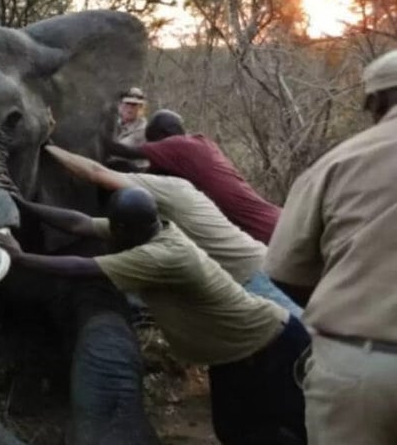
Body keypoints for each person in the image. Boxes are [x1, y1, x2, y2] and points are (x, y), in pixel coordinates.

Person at [0, 187, 311, 445]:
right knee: (234, 433)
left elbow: (81, 268)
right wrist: (25, 204)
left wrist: (21, 258)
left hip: (271, 343)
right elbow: (79, 223)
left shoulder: (162, 256)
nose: (111, 236)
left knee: (305, 418)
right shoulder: (145, 230)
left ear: (127, 231)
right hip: (231, 355)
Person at [265, 49, 397, 445]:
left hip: (354, 362)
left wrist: (348, 302)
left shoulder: (337, 162)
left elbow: (283, 269)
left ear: (376, 101)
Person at [37, 143, 301, 318]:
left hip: (253, 276)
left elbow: (96, 172)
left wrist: (48, 145)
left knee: (304, 345)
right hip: (255, 268)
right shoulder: (179, 193)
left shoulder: (162, 193)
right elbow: (83, 224)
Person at [103, 109, 281, 244]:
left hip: (267, 230)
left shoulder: (182, 145)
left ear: (164, 135)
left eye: (154, 142)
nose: (153, 146)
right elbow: (142, 179)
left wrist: (102, 121)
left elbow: (120, 150)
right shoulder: (191, 154)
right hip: (272, 223)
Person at [108, 87, 150, 170]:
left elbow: (118, 152)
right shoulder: (113, 124)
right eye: (127, 103)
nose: (130, 108)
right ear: (120, 105)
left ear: (141, 108)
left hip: (135, 172)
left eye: (134, 105)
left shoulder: (144, 130)